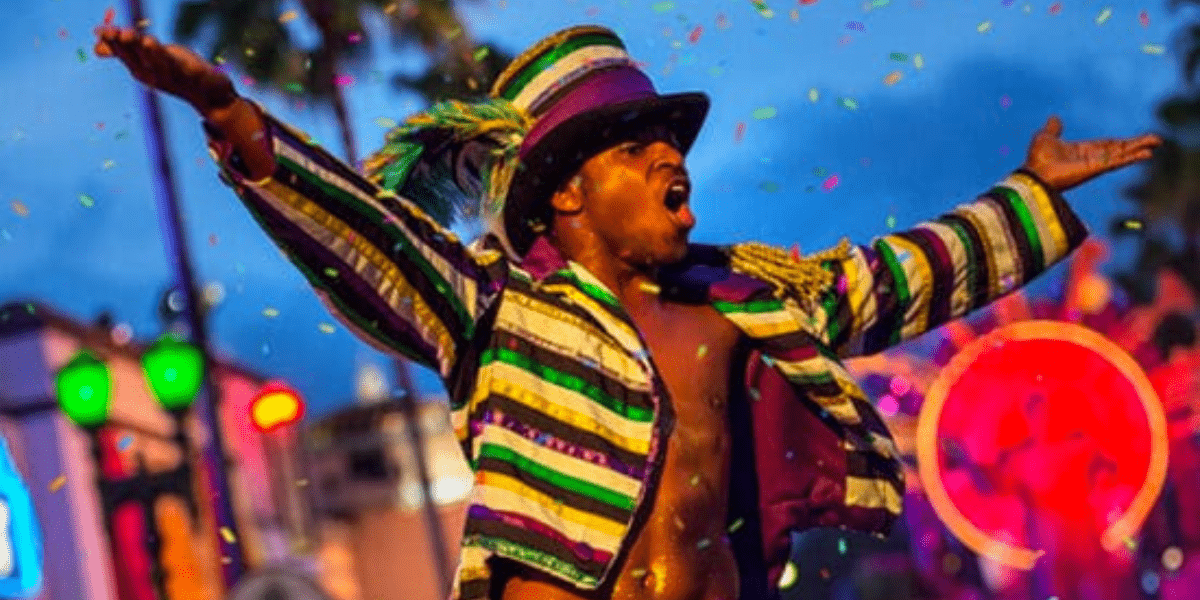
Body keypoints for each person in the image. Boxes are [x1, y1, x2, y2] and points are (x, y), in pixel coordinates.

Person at [94, 18, 1161, 600]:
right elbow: (373, 240)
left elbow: (898, 278)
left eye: (676, 147)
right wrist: (232, 114)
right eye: (637, 149)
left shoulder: (750, 301)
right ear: (566, 190)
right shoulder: (498, 317)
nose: (671, 160)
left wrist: (1029, 199)